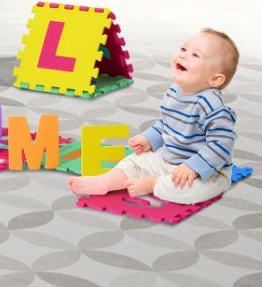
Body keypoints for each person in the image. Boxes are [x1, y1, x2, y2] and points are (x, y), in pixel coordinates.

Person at [68, 28, 239, 204]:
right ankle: (105, 181)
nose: (183, 55)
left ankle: (153, 184)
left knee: (188, 190)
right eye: (183, 49)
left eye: (195, 55)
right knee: (135, 161)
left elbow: (222, 143)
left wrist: (193, 167)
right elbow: (166, 124)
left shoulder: (212, 107)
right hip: (169, 158)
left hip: (208, 170)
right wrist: (149, 139)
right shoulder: (174, 92)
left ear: (215, 80)